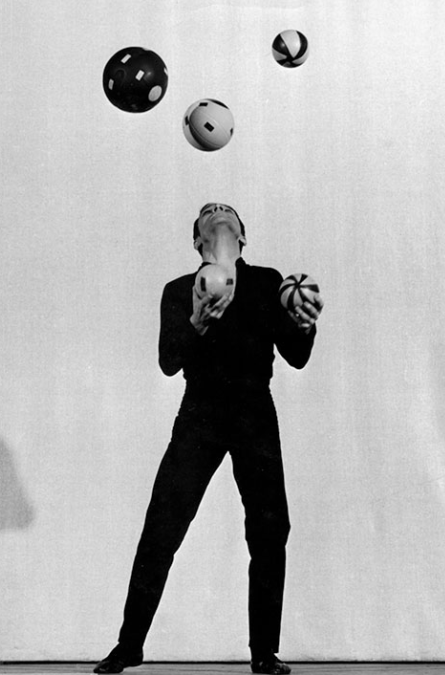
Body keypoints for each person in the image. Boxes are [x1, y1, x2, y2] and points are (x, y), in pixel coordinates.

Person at [94, 203, 324, 675]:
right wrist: (197, 322)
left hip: (254, 412)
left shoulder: (267, 283)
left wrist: (306, 323)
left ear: (243, 237)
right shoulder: (180, 290)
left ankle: (264, 652)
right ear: (197, 241)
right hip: (200, 413)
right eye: (208, 213)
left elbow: (297, 356)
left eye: (227, 212)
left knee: (269, 530)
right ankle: (129, 645)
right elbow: (168, 361)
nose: (218, 212)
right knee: (162, 527)